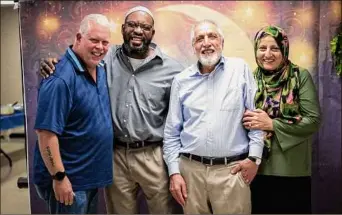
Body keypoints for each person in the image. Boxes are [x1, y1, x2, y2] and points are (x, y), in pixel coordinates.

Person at [39, 6, 184, 214]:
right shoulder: (104, 58)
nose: (138, 31)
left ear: (152, 33)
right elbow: (77, 56)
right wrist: (51, 61)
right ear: (123, 28)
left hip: (153, 155)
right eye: (132, 25)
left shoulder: (173, 69)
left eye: (145, 27)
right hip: (114, 156)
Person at [163, 19, 264, 214]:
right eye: (200, 38)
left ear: (222, 42)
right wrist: (174, 172)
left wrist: (255, 158)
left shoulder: (240, 70)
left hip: (232, 172)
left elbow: (256, 119)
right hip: (190, 173)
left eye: (212, 36)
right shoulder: (181, 81)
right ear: (193, 46)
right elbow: (172, 132)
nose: (206, 42)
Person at [33, 14, 113, 214]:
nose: (100, 47)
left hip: (88, 177)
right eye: (94, 40)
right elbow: (45, 135)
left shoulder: (100, 69)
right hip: (69, 181)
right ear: (78, 38)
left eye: (105, 42)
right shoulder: (59, 79)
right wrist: (59, 177)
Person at [242, 25, 321, 214]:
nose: (267, 54)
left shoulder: (299, 76)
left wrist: (271, 124)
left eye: (274, 48)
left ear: (284, 50)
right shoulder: (250, 79)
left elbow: (313, 120)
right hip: (257, 169)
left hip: (292, 170)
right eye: (262, 48)